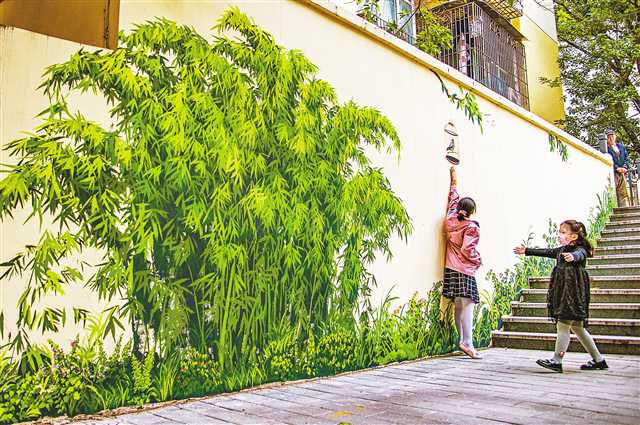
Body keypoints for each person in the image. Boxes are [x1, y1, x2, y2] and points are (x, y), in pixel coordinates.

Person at [514, 220, 608, 373]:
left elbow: (580, 255)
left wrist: (573, 256)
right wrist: (527, 250)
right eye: (560, 231)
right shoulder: (561, 250)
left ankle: (557, 360)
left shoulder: (580, 250)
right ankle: (599, 360)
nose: (559, 234)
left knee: (563, 324)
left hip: (572, 295)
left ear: (574, 236)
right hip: (564, 292)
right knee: (578, 327)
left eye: (563, 232)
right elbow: (547, 251)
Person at [444, 167, 482, 359]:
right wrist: (478, 259)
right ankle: (467, 342)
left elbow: (453, 198)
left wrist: (454, 180)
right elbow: (468, 250)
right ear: (472, 212)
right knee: (468, 304)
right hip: (464, 269)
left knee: (459, 304)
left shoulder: (450, 217)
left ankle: (462, 340)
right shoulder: (471, 227)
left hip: (450, 267)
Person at [607, 129, 631, 207]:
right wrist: (616, 168)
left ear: (615, 136)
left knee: (624, 192)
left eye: (612, 136)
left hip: (623, 172)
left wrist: (624, 167)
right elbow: (609, 160)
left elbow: (627, 158)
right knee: (615, 191)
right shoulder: (606, 149)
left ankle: (625, 207)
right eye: (609, 137)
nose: (611, 138)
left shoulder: (621, 146)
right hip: (614, 172)